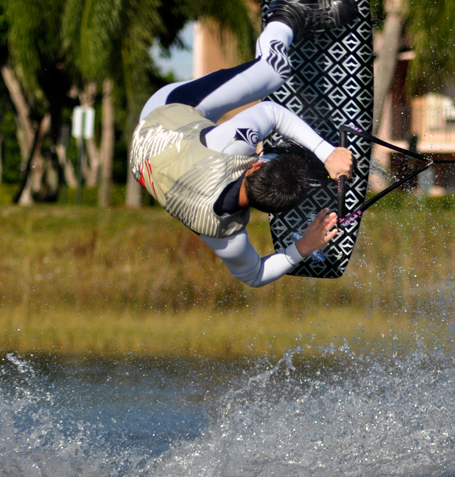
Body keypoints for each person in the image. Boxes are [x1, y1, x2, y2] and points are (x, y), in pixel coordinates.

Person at [129, 0, 358, 287]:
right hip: (147, 163)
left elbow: (272, 112)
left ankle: (286, 11)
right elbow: (253, 276)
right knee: (249, 135)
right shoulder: (224, 236)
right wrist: (302, 248)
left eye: (263, 156)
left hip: (162, 118)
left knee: (272, 72)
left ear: (253, 166)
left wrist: (326, 153)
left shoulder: (227, 153)